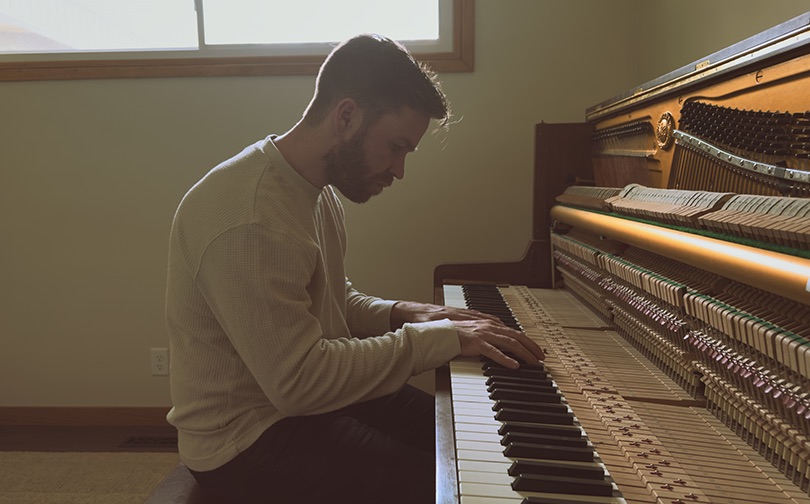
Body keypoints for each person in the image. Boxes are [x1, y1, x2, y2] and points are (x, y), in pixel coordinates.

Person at [164, 33, 545, 504]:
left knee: (466, 439)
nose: (399, 170)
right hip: (245, 440)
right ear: (346, 117)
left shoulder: (313, 189)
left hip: (297, 405)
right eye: (396, 146)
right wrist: (439, 341)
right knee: (458, 488)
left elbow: (330, 300)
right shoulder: (253, 218)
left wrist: (408, 314)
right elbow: (299, 384)